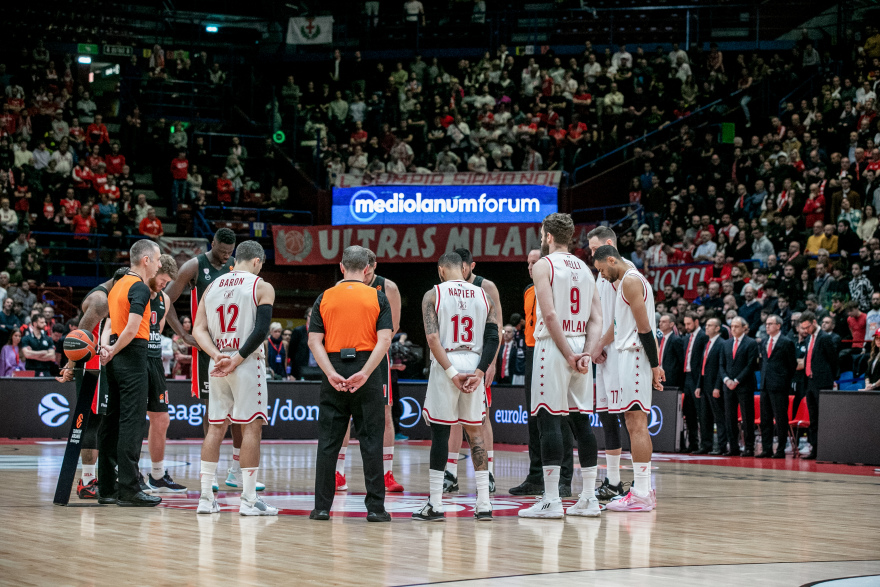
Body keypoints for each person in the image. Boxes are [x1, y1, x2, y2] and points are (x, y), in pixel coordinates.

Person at [519, 213, 603, 519]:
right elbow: (597, 319)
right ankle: (589, 497)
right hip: (582, 345)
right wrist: (587, 354)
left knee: (549, 419)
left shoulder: (544, 264)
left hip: (554, 347)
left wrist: (567, 353)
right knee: (581, 421)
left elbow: (550, 315)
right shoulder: (584, 266)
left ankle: (552, 500)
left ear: (547, 235)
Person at [162, 229, 256, 492]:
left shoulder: (234, 266)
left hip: (235, 345)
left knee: (240, 407)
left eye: (230, 251)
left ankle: (236, 470)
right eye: (222, 250)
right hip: (208, 347)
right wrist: (182, 334)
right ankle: (209, 473)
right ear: (212, 243)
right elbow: (165, 300)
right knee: (213, 407)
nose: (226, 255)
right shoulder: (194, 266)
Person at [308, 246, 393, 522]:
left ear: (342, 267)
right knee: (371, 441)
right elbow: (384, 340)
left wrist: (331, 372)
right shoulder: (378, 297)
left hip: (333, 369)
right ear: (367, 270)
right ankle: (376, 509)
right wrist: (366, 373)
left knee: (328, 442)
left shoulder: (325, 297)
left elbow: (313, 341)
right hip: (366, 371)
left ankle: (321, 508)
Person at [413, 252, 499, 521]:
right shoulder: (483, 294)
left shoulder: (433, 294)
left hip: (445, 364)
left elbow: (432, 338)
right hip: (474, 362)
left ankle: (436, 504)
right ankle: (484, 503)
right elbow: (494, 336)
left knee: (440, 434)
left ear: (441, 270)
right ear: (464, 269)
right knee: (476, 434)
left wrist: (451, 373)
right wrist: (480, 370)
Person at [192, 241, 277, 516]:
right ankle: (250, 501)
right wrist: (237, 359)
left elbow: (198, 330)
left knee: (215, 427)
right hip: (246, 362)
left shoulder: (212, 286)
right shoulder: (261, 286)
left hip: (217, 363)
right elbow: (262, 330)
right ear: (256, 261)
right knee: (251, 427)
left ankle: (206, 498)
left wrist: (217, 355)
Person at [592, 244, 663, 512]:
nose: (603, 275)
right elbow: (623, 325)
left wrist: (655, 366)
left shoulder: (632, 281)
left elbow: (645, 329)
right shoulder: (625, 281)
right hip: (628, 355)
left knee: (636, 422)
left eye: (602, 270)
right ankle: (641, 492)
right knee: (632, 422)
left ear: (612, 259)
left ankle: (642, 493)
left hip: (635, 355)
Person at [55, 268, 128, 500]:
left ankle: (103, 477)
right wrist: (69, 366)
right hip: (93, 366)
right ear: (117, 283)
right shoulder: (99, 301)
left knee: (103, 422)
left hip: (104, 363)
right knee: (92, 422)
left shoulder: (107, 296)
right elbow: (79, 337)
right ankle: (87, 482)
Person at [99, 239, 162, 507]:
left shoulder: (117, 286)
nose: (159, 265)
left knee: (111, 421)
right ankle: (129, 489)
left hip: (114, 359)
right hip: (131, 355)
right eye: (158, 260)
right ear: (145, 260)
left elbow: (111, 322)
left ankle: (107, 488)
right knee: (132, 422)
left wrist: (106, 348)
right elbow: (131, 328)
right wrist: (113, 350)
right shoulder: (139, 287)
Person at [336, 252, 405, 493]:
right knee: (342, 413)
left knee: (384, 414)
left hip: (375, 355)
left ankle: (386, 473)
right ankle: (338, 473)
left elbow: (393, 327)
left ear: (372, 266)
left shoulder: (388, 287)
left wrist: (369, 345)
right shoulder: (340, 287)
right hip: (344, 353)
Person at [509, 249, 575, 496]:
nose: (530, 266)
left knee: (560, 417)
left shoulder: (557, 287)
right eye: (527, 263)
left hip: (555, 351)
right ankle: (536, 475)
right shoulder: (528, 290)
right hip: (531, 354)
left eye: (534, 262)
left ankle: (564, 478)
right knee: (534, 418)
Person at [444, 248, 502, 494]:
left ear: (470, 266)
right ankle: (450, 473)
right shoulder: (446, 289)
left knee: (481, 416)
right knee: (453, 420)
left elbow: (496, 327)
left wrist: (492, 362)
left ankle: (487, 474)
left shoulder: (486, 287)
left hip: (479, 360)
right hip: (454, 361)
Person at [587, 226, 632, 500]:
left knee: (629, 418)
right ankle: (613, 481)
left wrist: (599, 344)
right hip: (603, 354)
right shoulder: (602, 275)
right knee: (606, 416)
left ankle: (640, 481)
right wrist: (595, 345)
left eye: (594, 249)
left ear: (607, 245)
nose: (593, 255)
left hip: (621, 353)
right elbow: (598, 316)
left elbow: (620, 320)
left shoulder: (625, 274)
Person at [141, 255, 186, 493]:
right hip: (134, 361)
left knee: (162, 419)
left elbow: (156, 333)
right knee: (131, 421)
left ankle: (157, 475)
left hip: (154, 361)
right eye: (163, 279)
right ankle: (122, 473)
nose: (164, 285)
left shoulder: (164, 299)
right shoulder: (137, 291)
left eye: (168, 282)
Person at [798, 311, 838, 460]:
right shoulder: (809, 340)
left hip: (822, 382)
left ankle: (826, 449)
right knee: (813, 418)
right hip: (810, 382)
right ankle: (814, 449)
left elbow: (833, 360)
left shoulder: (825, 338)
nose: (806, 330)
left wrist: (830, 378)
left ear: (814, 322)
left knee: (824, 417)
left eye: (807, 327)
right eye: (803, 328)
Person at [757, 315, 796, 459]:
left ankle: (780, 449)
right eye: (766, 324)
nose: (767, 326)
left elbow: (791, 365)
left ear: (778, 326)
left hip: (779, 386)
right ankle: (766, 449)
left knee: (780, 419)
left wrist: (783, 380)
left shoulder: (786, 342)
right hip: (765, 385)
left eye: (770, 324)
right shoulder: (765, 341)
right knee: (765, 419)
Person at [719, 317, 759, 457]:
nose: (734, 328)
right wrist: (726, 379)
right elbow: (721, 365)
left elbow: (750, 365)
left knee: (747, 417)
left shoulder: (751, 343)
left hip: (744, 385)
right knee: (730, 417)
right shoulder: (726, 343)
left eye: (737, 326)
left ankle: (749, 447)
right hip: (728, 385)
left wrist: (736, 380)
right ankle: (733, 447)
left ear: (744, 327)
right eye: (732, 326)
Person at [695, 317, 728, 455]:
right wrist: (698, 385)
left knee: (719, 418)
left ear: (717, 328)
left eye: (710, 325)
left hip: (715, 386)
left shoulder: (722, 344)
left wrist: (717, 387)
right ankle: (706, 445)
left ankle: (721, 446)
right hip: (705, 385)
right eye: (706, 325)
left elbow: (721, 367)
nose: (706, 328)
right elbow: (703, 367)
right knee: (704, 417)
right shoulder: (707, 343)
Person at [681, 312, 708, 452]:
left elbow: (703, 361)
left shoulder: (703, 337)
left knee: (701, 413)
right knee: (689, 412)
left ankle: (705, 444)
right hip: (687, 377)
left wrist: (700, 382)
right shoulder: (686, 338)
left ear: (696, 322)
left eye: (689, 324)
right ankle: (693, 444)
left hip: (697, 377)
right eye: (685, 324)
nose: (686, 327)